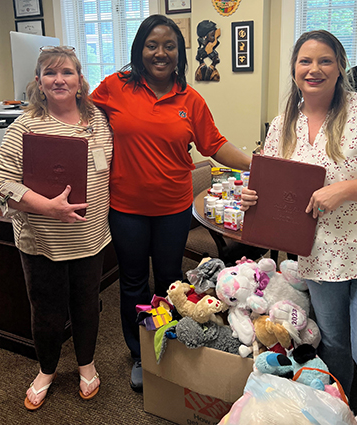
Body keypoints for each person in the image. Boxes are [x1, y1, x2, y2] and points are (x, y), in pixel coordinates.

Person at [238, 30, 357, 425]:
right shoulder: (284, 123)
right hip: (321, 256)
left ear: (340, 68)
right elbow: (272, 185)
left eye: (325, 61)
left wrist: (345, 190)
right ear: (294, 69)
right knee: (333, 348)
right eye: (305, 61)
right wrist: (253, 198)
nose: (313, 69)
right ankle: (340, 415)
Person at [88, 14, 252, 392]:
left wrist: (256, 162)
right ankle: (140, 353)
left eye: (169, 46)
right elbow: (82, 117)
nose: (160, 53)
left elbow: (214, 144)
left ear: (180, 53)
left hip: (174, 208)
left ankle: (167, 344)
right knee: (132, 283)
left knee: (168, 280)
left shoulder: (190, 99)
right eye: (152, 45)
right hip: (126, 207)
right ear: (139, 49)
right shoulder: (114, 87)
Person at [0, 45, 111, 411]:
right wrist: (48, 207)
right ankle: (46, 370)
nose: (59, 79)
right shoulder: (25, 126)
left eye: (67, 72)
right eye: (50, 73)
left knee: (87, 304)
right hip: (42, 241)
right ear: (39, 83)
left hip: (91, 238)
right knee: (46, 309)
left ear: (79, 80)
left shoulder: (98, 119)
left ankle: (86, 364)